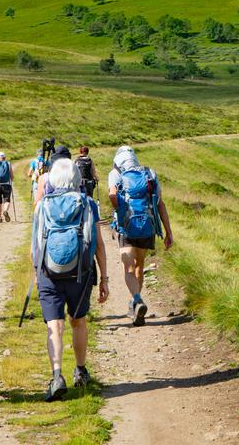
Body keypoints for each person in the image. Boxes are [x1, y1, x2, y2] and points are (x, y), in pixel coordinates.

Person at [31, 158, 108, 401]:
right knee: (78, 321)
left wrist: (37, 274)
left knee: (55, 325)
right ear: (76, 179)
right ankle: (81, 370)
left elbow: (35, 247)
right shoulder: (87, 203)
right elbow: (98, 245)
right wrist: (104, 278)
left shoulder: (42, 205)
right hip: (81, 273)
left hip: (49, 273)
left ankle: (56, 376)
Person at [108, 146, 174, 327]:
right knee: (139, 265)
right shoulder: (149, 173)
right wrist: (168, 231)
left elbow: (112, 195)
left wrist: (119, 211)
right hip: (148, 226)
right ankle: (135, 303)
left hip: (126, 227)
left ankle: (136, 299)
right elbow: (160, 204)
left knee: (128, 267)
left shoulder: (115, 174)